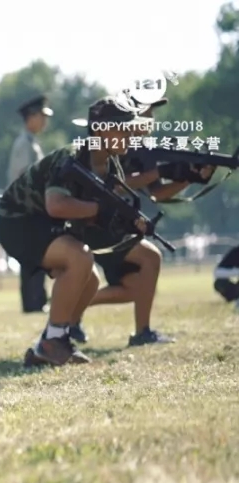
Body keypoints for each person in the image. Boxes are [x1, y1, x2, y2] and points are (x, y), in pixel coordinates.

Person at [0, 96, 152, 366]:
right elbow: (56, 205)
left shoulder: (111, 163)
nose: (131, 134)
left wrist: (128, 223)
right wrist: (98, 209)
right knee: (80, 258)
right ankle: (52, 341)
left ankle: (54, 340)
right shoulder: (74, 156)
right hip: (17, 220)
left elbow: (96, 212)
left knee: (89, 280)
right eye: (125, 128)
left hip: (43, 223)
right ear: (102, 130)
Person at [69, 98, 214, 346]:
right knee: (151, 257)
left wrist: (190, 178)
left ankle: (71, 310)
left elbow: (158, 193)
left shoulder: (144, 149)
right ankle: (142, 333)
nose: (150, 119)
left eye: (151, 114)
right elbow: (114, 184)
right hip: (97, 225)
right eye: (145, 113)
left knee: (136, 287)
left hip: (118, 225)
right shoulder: (107, 144)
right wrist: (161, 171)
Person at [7, 94, 54, 314]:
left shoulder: (30, 142)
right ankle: (34, 302)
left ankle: (37, 300)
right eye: (42, 116)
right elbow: (24, 178)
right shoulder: (24, 144)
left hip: (32, 207)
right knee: (32, 257)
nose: (45, 121)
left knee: (36, 256)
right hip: (27, 208)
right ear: (32, 116)